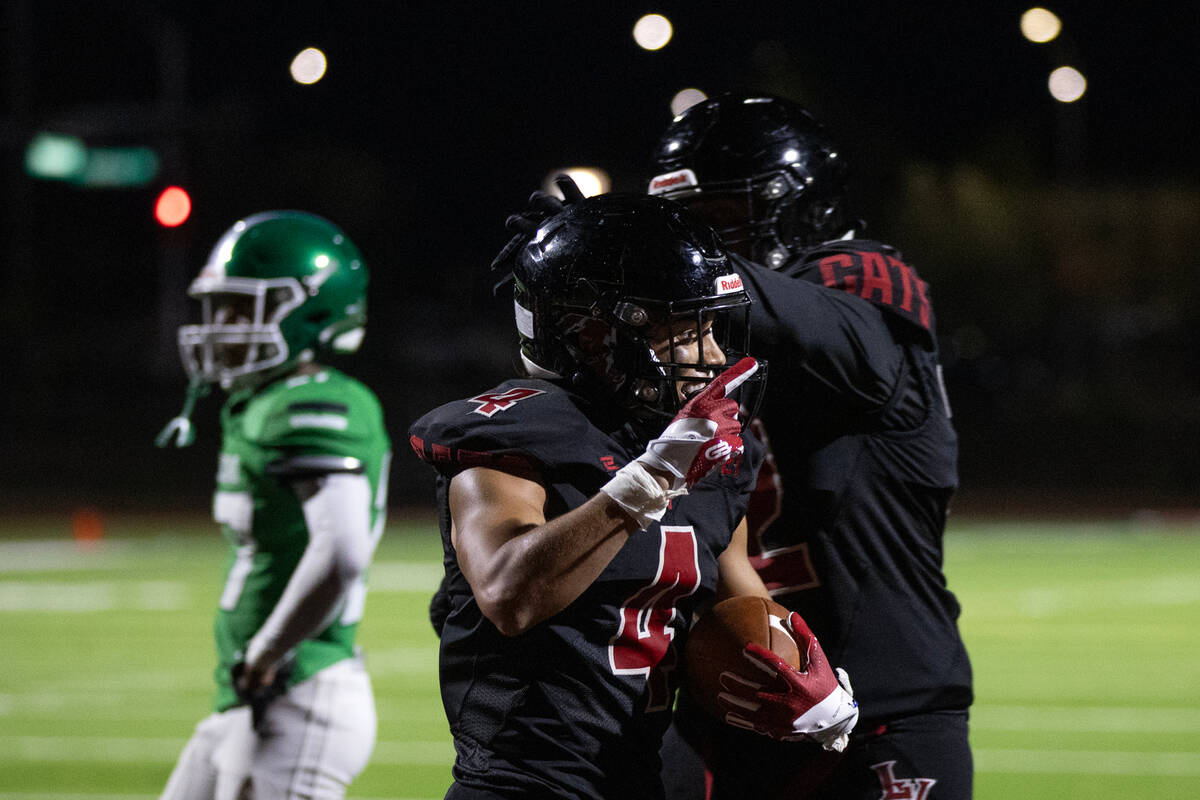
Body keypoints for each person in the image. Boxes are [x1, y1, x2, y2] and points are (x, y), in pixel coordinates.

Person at [408, 193, 858, 800]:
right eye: (687, 332)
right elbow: (508, 593)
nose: (716, 356)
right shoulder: (513, 434)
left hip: (639, 777)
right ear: (592, 335)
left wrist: (803, 678)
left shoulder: (702, 453)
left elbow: (742, 613)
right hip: (521, 785)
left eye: (711, 328)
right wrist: (649, 480)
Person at [647, 94, 971, 798]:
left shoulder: (859, 279)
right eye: (689, 228)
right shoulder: (700, 329)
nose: (707, 245)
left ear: (800, 205)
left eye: (723, 222)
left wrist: (661, 257)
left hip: (879, 702)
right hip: (728, 691)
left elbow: (811, 322)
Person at [155, 211, 391, 800]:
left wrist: (265, 651)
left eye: (243, 310)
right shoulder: (260, 404)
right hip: (253, 697)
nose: (221, 327)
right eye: (221, 308)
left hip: (296, 692)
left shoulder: (315, 404)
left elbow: (340, 554)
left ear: (311, 312)